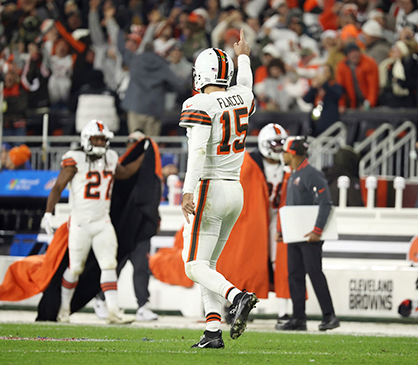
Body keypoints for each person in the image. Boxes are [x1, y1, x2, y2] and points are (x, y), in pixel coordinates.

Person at [180, 30, 258, 349]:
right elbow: (247, 86)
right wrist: (244, 56)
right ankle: (212, 333)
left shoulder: (200, 102)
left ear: (201, 74)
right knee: (206, 266)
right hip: (235, 190)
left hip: (209, 188)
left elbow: (197, 151)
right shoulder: (243, 96)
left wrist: (187, 190)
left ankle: (236, 297)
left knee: (193, 265)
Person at [42, 119, 144, 324]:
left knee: (109, 265)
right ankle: (63, 309)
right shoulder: (75, 158)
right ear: (87, 139)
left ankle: (113, 311)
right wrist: (48, 212)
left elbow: (125, 173)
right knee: (75, 268)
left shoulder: (111, 157)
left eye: (102, 139)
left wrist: (145, 155)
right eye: (96, 139)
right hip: (80, 223)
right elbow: (58, 186)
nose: (100, 143)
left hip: (102, 221)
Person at [94, 130, 162, 322]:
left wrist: (154, 219)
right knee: (115, 266)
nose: (132, 144)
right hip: (123, 227)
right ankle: (101, 299)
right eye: (130, 141)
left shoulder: (150, 172)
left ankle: (142, 305)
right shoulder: (119, 166)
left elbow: (152, 198)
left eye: (137, 142)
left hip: (140, 227)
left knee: (141, 268)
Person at [276, 136, 340, 331]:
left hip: (310, 236)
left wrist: (317, 230)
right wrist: (283, 230)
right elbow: (293, 207)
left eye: (284, 151)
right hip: (296, 234)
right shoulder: (296, 174)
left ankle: (329, 316)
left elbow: (326, 202)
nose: (282, 155)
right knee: (294, 275)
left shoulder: (311, 174)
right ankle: (298, 318)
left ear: (292, 153)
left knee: (314, 273)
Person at [255, 123, 291, 329]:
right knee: (247, 261)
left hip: (278, 217)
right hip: (256, 217)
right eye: (275, 144)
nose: (279, 148)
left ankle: (283, 312)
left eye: (281, 144)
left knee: (280, 263)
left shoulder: (287, 164)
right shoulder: (252, 163)